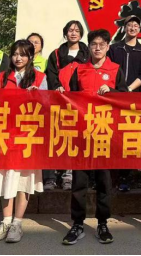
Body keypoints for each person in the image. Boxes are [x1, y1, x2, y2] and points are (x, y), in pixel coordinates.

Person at [62, 29, 126, 246]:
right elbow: (70, 98)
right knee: (79, 182)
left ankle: (102, 223)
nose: (97, 48)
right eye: (93, 44)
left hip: (105, 133)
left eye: (102, 44)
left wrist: (113, 92)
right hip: (82, 133)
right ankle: (77, 223)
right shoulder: (80, 70)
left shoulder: (116, 69)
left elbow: (126, 99)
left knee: (104, 181)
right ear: (88, 47)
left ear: (108, 46)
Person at [0, 40, 46, 244]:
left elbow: (47, 105)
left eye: (23, 54)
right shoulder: (3, 77)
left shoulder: (40, 77)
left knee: (23, 179)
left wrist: (37, 96)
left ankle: (17, 223)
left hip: (28, 135)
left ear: (31, 57)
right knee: (6, 177)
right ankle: (5, 221)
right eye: (15, 54)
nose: (18, 58)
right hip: (6, 133)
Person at [44, 20, 89, 191]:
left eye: (77, 30)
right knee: (54, 138)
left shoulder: (87, 53)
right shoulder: (56, 54)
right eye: (70, 30)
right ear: (65, 33)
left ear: (81, 34)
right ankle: (50, 177)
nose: (73, 33)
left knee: (73, 139)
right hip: (58, 101)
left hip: (79, 104)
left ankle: (68, 176)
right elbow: (51, 74)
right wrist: (57, 87)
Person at [108, 16, 141, 192]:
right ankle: (111, 177)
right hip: (114, 97)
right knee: (112, 136)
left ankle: (125, 177)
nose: (132, 28)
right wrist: (118, 90)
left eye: (136, 25)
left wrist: (129, 89)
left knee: (129, 136)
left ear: (139, 29)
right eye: (129, 25)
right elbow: (109, 70)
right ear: (124, 28)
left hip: (133, 99)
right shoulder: (114, 48)